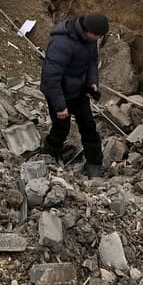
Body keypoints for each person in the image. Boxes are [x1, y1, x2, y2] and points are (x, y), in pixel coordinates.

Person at [38, 12, 110, 176]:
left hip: (79, 90)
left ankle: (94, 163)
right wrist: (60, 106)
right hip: (59, 93)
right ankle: (48, 157)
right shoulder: (61, 43)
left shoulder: (90, 40)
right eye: (98, 36)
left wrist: (92, 82)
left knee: (88, 126)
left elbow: (92, 61)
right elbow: (51, 78)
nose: (98, 39)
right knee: (61, 128)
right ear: (89, 32)